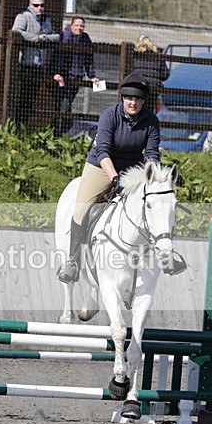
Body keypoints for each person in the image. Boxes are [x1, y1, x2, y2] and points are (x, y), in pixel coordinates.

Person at [57, 73, 160, 284]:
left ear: (143, 101)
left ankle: (163, 255)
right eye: (130, 98)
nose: (134, 103)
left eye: (138, 99)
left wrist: (153, 178)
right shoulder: (109, 115)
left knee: (152, 205)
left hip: (133, 170)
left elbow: (151, 155)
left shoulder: (151, 120)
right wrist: (114, 178)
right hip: (101, 167)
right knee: (81, 209)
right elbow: (103, 151)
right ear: (123, 98)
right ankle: (72, 261)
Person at [11, 0, 60, 127]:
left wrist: (46, 38)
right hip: (26, 63)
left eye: (41, 5)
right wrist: (36, 38)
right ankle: (16, 126)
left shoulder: (46, 20)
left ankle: (24, 127)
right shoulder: (23, 16)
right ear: (30, 5)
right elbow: (16, 32)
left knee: (31, 98)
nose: (39, 8)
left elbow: (56, 36)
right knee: (22, 97)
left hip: (39, 65)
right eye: (36, 5)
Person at [51, 16, 99, 137]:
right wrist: (57, 72)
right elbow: (58, 56)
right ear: (71, 25)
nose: (79, 28)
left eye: (82, 25)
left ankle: (61, 132)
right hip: (64, 77)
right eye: (77, 25)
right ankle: (58, 133)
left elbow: (89, 59)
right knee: (64, 105)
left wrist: (92, 76)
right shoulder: (65, 36)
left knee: (67, 105)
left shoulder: (85, 38)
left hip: (77, 77)